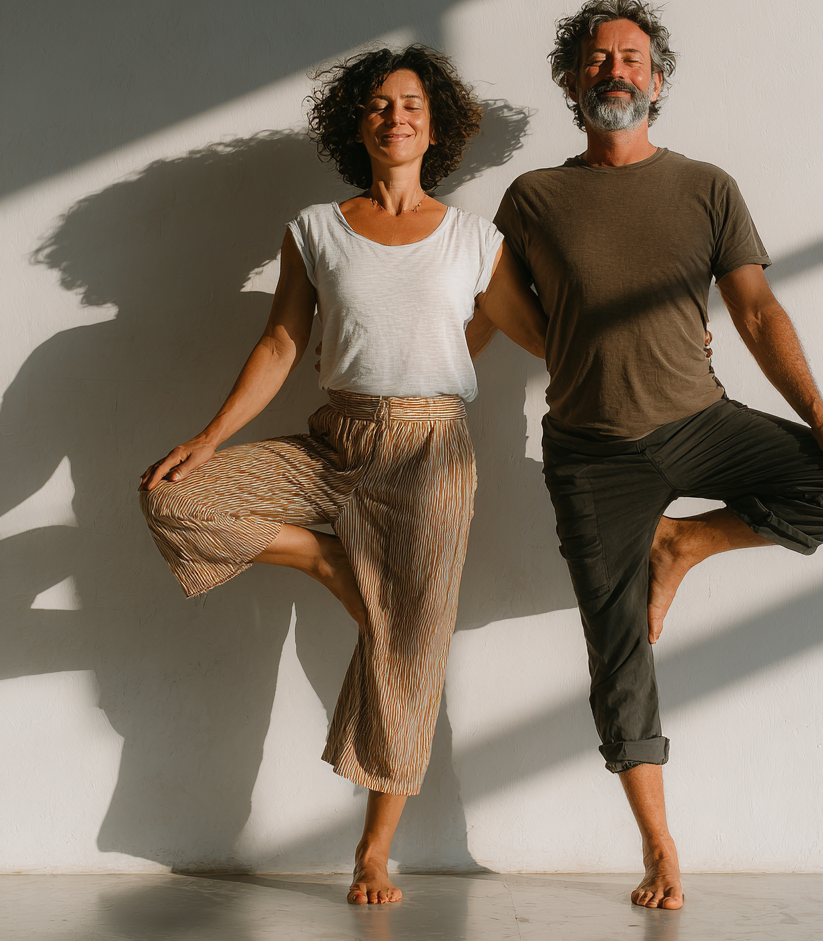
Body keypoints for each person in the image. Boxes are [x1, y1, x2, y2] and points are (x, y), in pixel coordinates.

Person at [489, 0, 823, 910]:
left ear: (658, 81)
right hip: (592, 453)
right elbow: (496, 306)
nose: (615, 70)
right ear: (570, 80)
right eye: (597, 59)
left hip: (702, 422)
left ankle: (688, 544)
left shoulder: (706, 186)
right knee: (617, 647)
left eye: (631, 57)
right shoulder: (534, 198)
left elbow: (755, 311)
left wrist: (822, 414)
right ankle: (661, 847)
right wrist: (562, 346)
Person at [138, 46, 546, 905]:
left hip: (433, 451)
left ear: (436, 126)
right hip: (337, 440)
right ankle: (329, 561)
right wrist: (211, 437)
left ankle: (373, 852)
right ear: (354, 123)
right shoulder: (317, 229)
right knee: (176, 498)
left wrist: (650, 346)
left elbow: (544, 335)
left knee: (410, 653)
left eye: (411, 104)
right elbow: (283, 343)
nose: (395, 116)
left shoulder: (476, 238)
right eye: (377, 104)